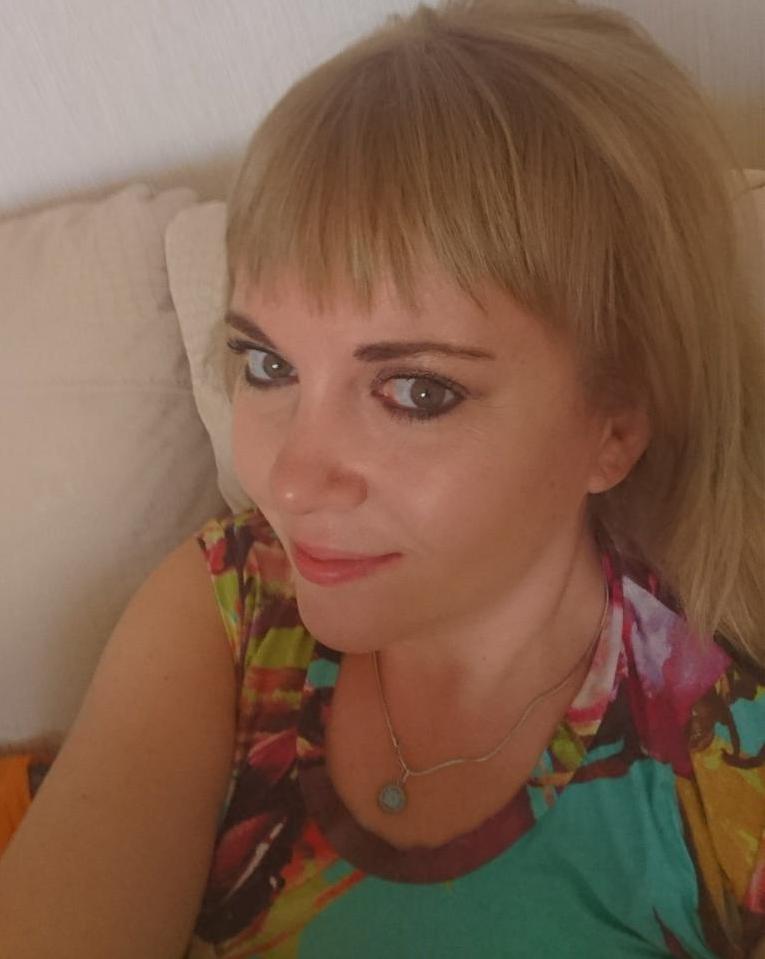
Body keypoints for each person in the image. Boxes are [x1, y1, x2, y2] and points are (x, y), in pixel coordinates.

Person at [0, 0, 763, 955]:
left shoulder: (718, 753)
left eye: (415, 390)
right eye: (268, 365)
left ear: (612, 427)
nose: (289, 480)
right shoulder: (230, 607)